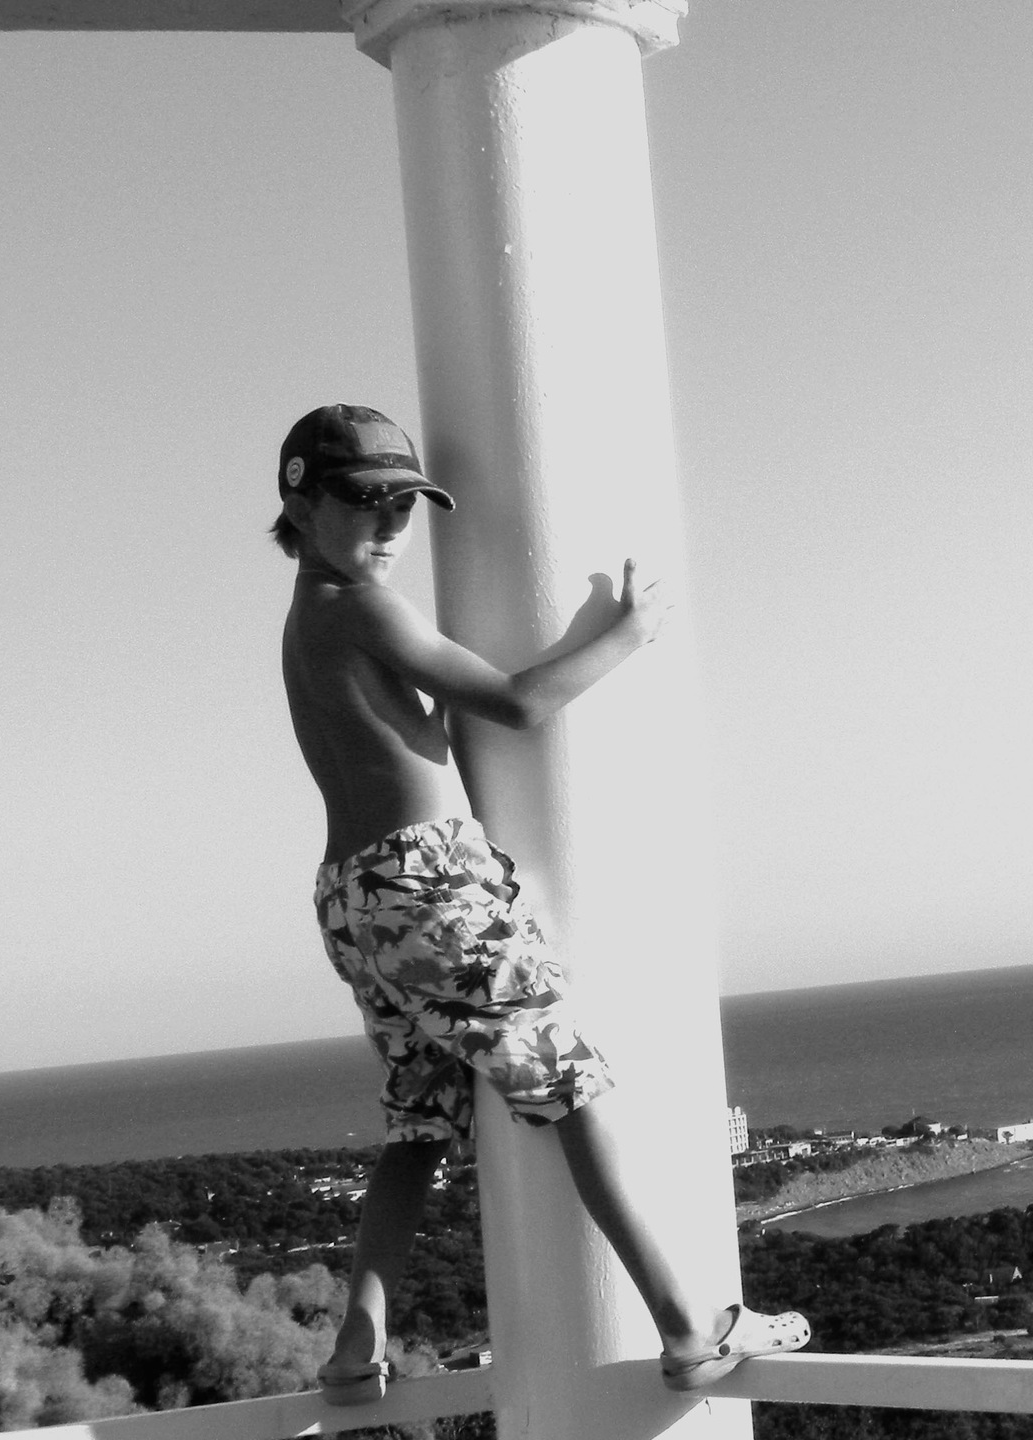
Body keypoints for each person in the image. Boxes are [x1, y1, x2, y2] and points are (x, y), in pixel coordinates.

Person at [271, 404, 809, 1403]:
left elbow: (401, 735)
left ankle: (355, 1349)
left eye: (404, 507)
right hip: (428, 885)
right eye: (365, 502)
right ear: (299, 505)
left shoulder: (307, 623)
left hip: (355, 901)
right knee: (575, 1085)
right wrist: (627, 635)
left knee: (416, 1129)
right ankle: (690, 1326)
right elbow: (517, 703)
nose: (389, 526)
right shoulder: (365, 608)